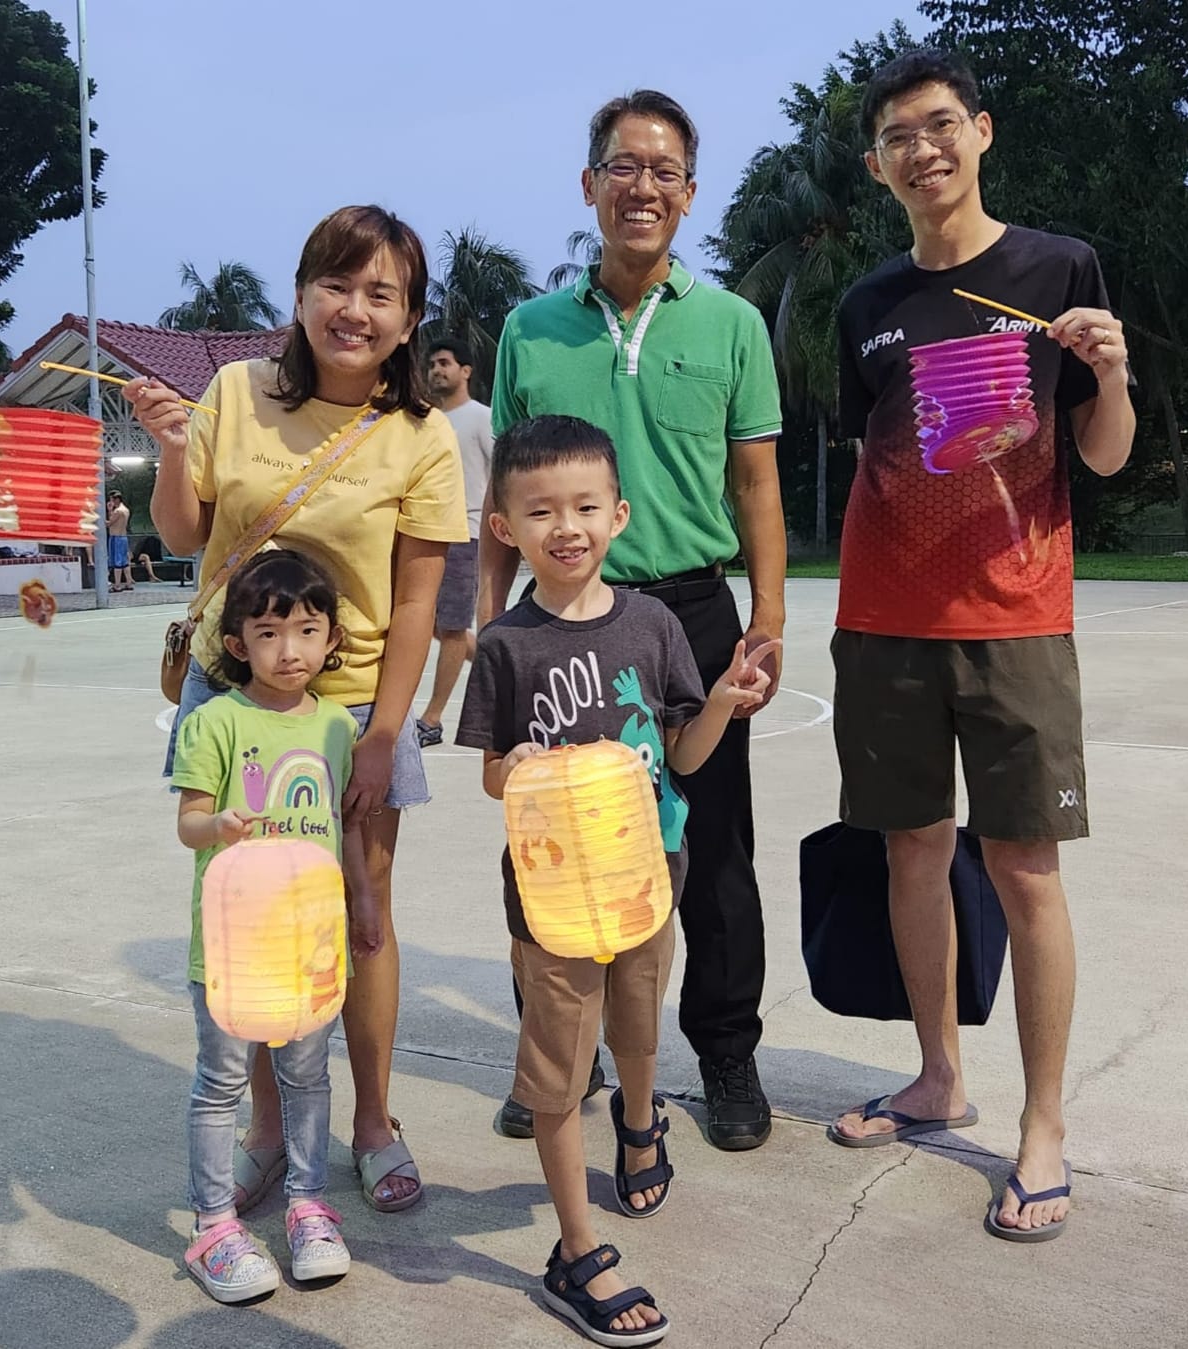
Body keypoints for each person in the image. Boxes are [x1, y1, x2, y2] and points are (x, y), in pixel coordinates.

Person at [829, 50, 1134, 1242]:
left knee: (1023, 867)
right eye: (897, 137)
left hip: (1015, 618)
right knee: (911, 849)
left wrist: (1108, 372)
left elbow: (1101, 453)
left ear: (981, 132)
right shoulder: (866, 306)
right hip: (882, 620)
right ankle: (935, 1074)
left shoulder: (1054, 269)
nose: (923, 150)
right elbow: (871, 453)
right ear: (876, 166)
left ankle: (1041, 1123)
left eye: (939, 124)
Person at [128, 204, 468, 1216]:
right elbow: (184, 535)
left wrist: (384, 733)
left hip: (351, 706)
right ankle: (269, 1130)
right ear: (301, 295)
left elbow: (416, 603)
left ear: (409, 319)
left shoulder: (423, 436)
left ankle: (372, 1122)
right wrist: (171, 450)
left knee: (362, 914)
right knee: (251, 908)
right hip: (234, 693)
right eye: (336, 284)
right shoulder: (236, 392)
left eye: (381, 294)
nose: (354, 309)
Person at [481, 90, 787, 1151]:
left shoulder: (730, 323)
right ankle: (559, 1056)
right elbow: (504, 493)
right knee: (550, 838)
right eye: (623, 166)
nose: (642, 186)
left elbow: (755, 485)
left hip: (690, 612)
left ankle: (726, 1052)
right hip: (556, 616)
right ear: (589, 184)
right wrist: (490, 620)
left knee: (711, 844)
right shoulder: (529, 329)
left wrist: (767, 615)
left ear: (689, 194)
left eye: (664, 171)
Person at [457, 416, 775, 1346]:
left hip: (646, 878)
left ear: (618, 514)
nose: (567, 526)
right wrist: (514, 767)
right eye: (540, 510)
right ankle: (576, 1247)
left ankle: (641, 1123)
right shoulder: (504, 643)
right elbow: (490, 773)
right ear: (505, 526)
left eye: (585, 506)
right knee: (558, 1071)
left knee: (638, 1027)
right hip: (553, 901)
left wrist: (720, 703)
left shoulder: (652, 623)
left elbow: (683, 753)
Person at [173, 549, 383, 1303]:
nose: (288, 649)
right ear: (238, 643)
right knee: (221, 1080)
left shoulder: (336, 726)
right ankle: (213, 1225)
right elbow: (188, 823)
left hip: (310, 943)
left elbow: (344, 825)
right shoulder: (215, 721)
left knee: (307, 1076)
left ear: (332, 639)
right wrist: (218, 825)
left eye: (306, 630)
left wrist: (362, 897)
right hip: (233, 945)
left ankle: (309, 1206)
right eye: (268, 632)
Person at [416, 336, 493, 747]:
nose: (436, 370)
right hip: (427, 533)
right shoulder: (425, 420)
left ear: (465, 371)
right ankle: (498, 667)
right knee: (432, 625)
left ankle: (431, 719)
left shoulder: (482, 418)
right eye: (432, 364)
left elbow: (502, 475)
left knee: (452, 628)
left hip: (467, 533)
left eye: (444, 363)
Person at [106, 491, 134, 591]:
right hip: (123, 537)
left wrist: (109, 511)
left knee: (117, 561)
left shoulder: (118, 511)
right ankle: (129, 582)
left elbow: (109, 523)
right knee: (124, 561)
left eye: (111, 500)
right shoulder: (126, 510)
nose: (110, 502)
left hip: (116, 537)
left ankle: (117, 585)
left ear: (116, 499)